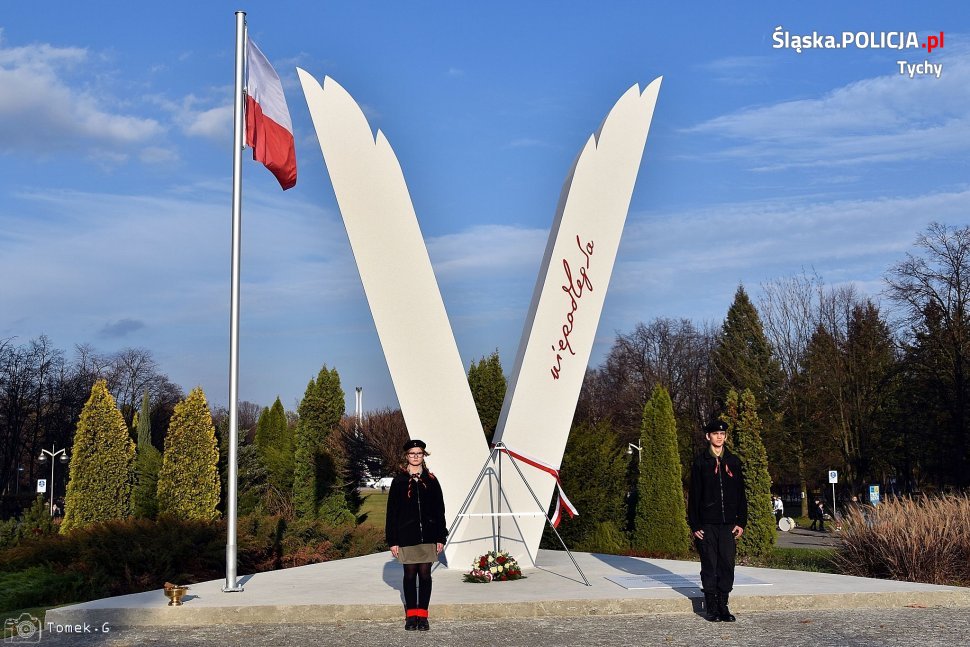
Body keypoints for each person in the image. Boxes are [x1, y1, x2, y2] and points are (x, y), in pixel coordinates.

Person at [385, 439, 447, 631]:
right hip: (407, 536)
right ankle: (411, 616)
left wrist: (440, 537)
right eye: (412, 454)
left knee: (425, 575)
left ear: (423, 456)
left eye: (419, 453)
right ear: (407, 456)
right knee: (410, 575)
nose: (415, 457)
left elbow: (439, 510)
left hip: (428, 536)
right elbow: (392, 512)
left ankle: (423, 616)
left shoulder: (432, 480)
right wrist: (393, 540)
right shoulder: (399, 481)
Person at [687, 419, 746, 623]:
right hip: (707, 524)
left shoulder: (734, 461)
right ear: (708, 437)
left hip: (728, 523)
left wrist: (741, 521)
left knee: (727, 565)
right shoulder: (701, 462)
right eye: (715, 433)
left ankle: (723, 605)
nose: (719, 437)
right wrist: (695, 524)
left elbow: (740, 493)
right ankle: (711, 607)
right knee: (710, 564)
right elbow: (694, 495)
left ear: (725, 437)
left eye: (722, 434)